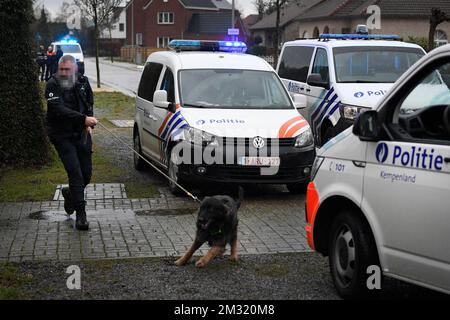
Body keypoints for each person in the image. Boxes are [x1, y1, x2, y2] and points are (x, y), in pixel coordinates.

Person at [45, 54, 98, 230]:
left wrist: (88, 123)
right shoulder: (52, 84)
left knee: (86, 175)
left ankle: (69, 194)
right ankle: (81, 216)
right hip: (61, 135)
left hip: (81, 133)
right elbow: (58, 109)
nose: (64, 73)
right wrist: (84, 119)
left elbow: (89, 102)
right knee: (75, 173)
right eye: (62, 70)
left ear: (75, 69)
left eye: (67, 70)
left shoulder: (83, 81)